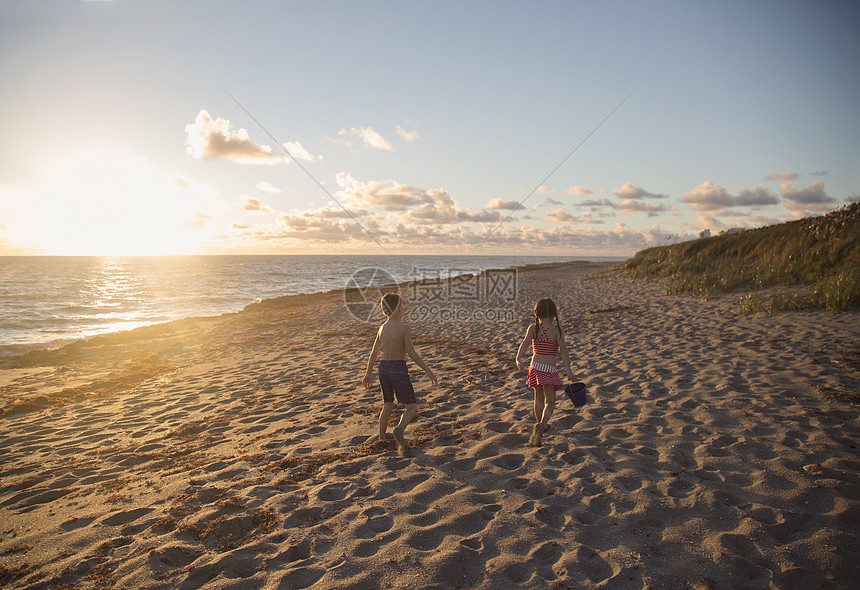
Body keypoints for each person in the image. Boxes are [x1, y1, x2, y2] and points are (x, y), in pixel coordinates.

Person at [362, 292, 437, 456]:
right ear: (398, 309)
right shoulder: (404, 328)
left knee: (387, 404)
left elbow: (373, 353)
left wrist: (368, 373)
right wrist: (428, 370)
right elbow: (411, 353)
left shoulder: (381, 328)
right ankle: (399, 429)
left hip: (383, 368)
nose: (403, 308)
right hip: (398, 368)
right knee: (412, 407)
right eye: (402, 305)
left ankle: (382, 436)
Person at [515, 298, 574, 447]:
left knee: (538, 399)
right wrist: (568, 371)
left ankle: (538, 424)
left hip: (534, 367)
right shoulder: (557, 330)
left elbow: (525, 343)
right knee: (550, 401)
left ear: (537, 314)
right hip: (549, 370)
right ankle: (542, 425)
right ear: (554, 313)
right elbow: (564, 351)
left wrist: (518, 358)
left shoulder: (533, 328)